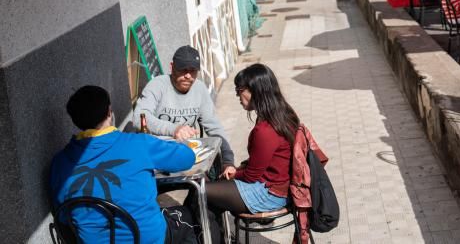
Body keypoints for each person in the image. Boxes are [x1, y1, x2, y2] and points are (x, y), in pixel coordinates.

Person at [50, 86, 197, 244]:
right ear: (109, 112)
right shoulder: (137, 143)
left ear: (76, 120)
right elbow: (187, 158)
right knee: (188, 217)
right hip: (147, 239)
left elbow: (63, 215)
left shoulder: (60, 163)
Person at [205, 64, 297, 223]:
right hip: (280, 188)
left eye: (240, 91)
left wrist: (234, 173)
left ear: (256, 91)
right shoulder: (283, 113)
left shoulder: (266, 130)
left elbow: (251, 175)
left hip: (270, 194)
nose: (237, 96)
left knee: (199, 191)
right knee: (212, 196)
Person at [135, 45, 235, 174]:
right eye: (183, 70)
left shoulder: (199, 89)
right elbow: (139, 117)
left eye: (193, 71)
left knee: (213, 165)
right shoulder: (157, 85)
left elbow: (214, 126)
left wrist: (228, 161)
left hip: (185, 152)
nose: (188, 76)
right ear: (172, 67)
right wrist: (174, 129)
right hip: (157, 153)